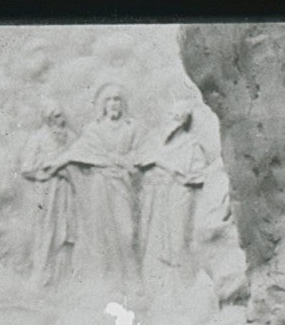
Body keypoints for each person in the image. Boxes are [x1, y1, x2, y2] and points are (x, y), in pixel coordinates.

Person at [60, 83, 141, 289]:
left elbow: (138, 154)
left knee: (127, 232)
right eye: (109, 99)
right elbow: (77, 153)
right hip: (100, 185)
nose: (113, 104)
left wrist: (124, 162)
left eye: (117, 99)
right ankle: (107, 280)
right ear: (102, 105)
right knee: (102, 233)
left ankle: (130, 278)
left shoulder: (131, 128)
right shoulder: (94, 130)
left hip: (122, 184)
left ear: (123, 104)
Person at [137, 104, 210, 287]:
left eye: (177, 117)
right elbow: (142, 160)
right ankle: (154, 283)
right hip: (157, 197)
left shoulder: (191, 145)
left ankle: (180, 285)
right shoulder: (158, 142)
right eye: (171, 115)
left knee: (177, 240)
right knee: (155, 240)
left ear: (183, 121)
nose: (172, 121)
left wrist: (173, 171)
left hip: (179, 196)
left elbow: (198, 174)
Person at [19, 107, 76, 287]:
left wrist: (68, 171)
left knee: (67, 231)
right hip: (47, 192)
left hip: (67, 190)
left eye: (61, 114)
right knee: (47, 231)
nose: (61, 119)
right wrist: (48, 169)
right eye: (56, 116)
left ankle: (64, 278)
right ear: (48, 119)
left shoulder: (71, 137)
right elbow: (27, 168)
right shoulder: (38, 138)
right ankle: (43, 275)